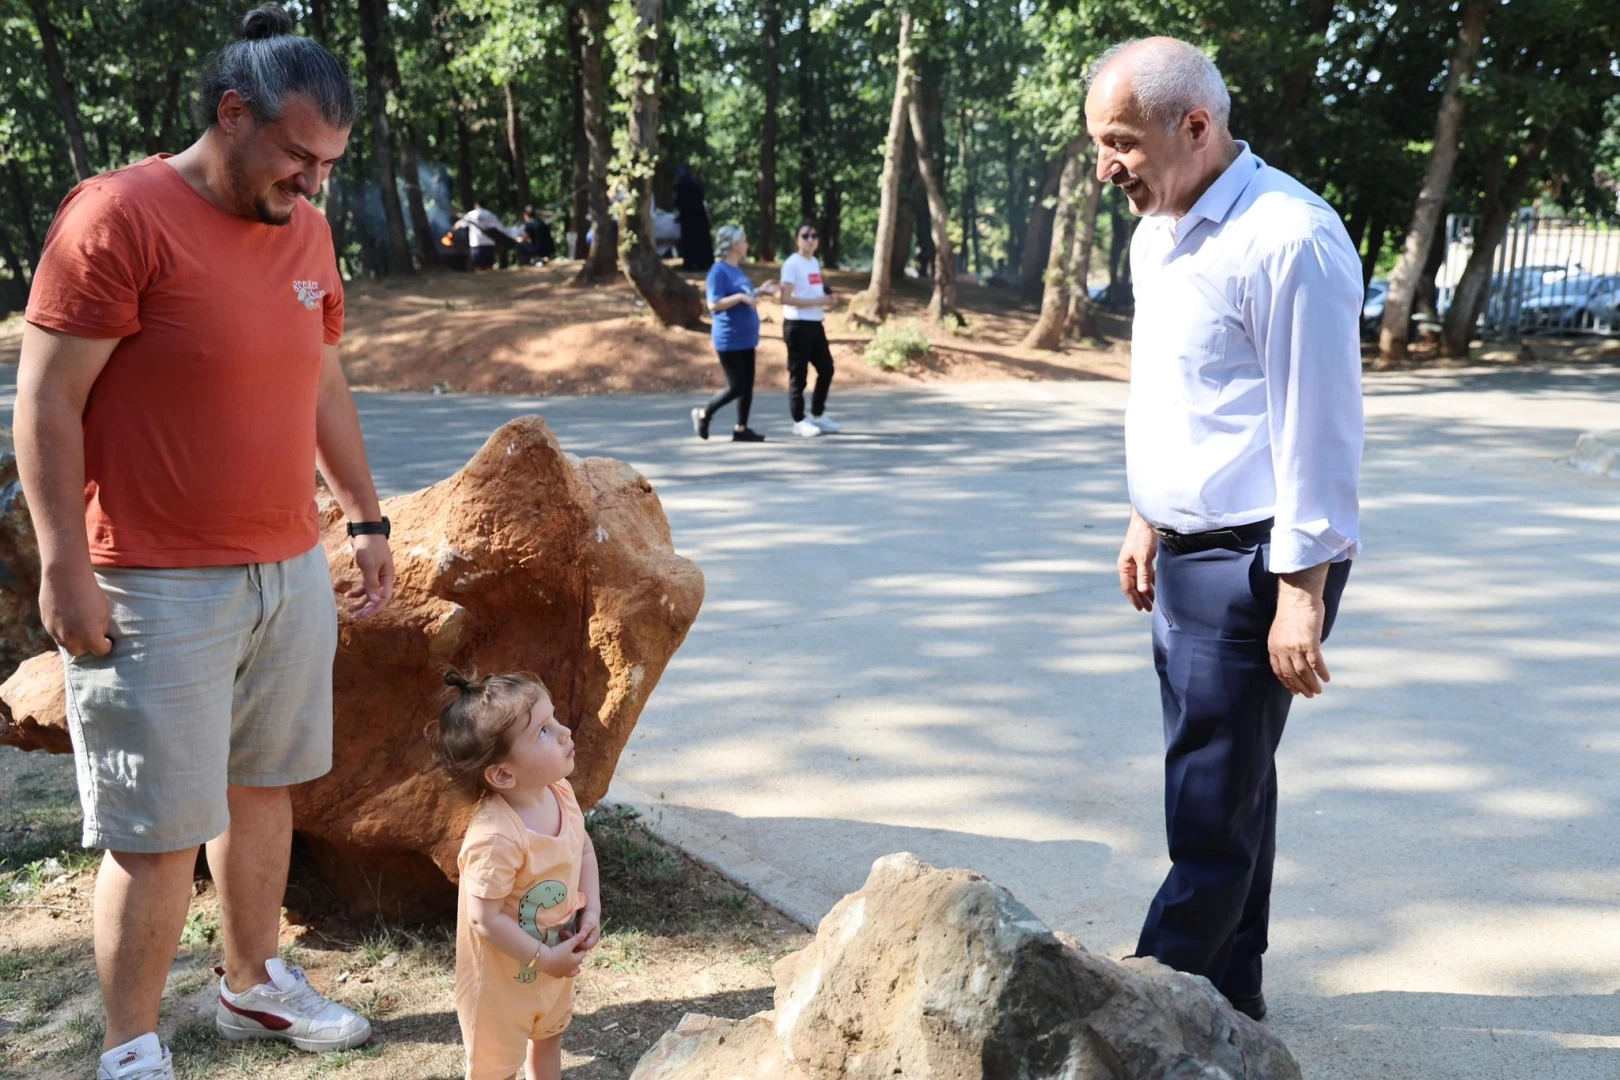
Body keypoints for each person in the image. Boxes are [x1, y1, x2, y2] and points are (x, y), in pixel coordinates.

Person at [14, 7, 395, 1078]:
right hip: (149, 581)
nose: (314, 183)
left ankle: (250, 985)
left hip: (285, 566)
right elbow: (44, 405)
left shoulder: (307, 231)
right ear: (233, 114)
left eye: (328, 163)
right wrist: (62, 565)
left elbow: (320, 379)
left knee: (262, 787)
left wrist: (363, 516)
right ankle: (130, 1050)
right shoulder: (116, 217)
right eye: (297, 156)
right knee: (155, 831)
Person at [1088, 38, 1362, 1022]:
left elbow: (1319, 424)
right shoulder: (1158, 231)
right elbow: (1181, 395)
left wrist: (1303, 591)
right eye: (1100, 145)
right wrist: (1146, 511)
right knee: (1229, 781)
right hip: (1184, 551)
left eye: (1122, 142)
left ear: (1194, 126)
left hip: (1258, 560)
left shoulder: (1287, 237)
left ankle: (1133, 1011)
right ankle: (1231, 990)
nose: (1107, 166)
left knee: (1208, 806)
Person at [430, 670, 602, 1080]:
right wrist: (547, 958)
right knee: (497, 1069)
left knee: (548, 1038)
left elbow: (583, 848)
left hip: (552, 966)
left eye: (554, 718)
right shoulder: (496, 838)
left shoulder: (559, 792)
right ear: (503, 774)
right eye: (543, 730)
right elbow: (484, 918)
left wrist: (591, 906)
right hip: (500, 987)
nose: (564, 732)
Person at [691, 224, 779, 443]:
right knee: (737, 385)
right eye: (745, 240)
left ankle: (741, 428)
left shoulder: (736, 269)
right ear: (734, 244)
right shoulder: (718, 271)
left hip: (746, 337)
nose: (748, 244)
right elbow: (714, 303)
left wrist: (760, 290)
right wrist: (741, 298)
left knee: (748, 384)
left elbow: (745, 293)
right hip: (729, 338)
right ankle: (704, 413)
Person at [779, 219, 842, 437]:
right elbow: (785, 298)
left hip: (816, 324)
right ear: (797, 239)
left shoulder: (814, 262)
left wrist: (827, 299)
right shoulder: (792, 264)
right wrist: (818, 302)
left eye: (814, 236)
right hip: (797, 325)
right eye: (805, 235)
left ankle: (817, 413)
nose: (810, 240)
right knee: (799, 374)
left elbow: (813, 292)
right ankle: (798, 420)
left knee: (827, 368)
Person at [673, 164, 714, 272]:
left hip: (688, 217)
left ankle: (691, 264)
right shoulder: (694, 181)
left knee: (690, 241)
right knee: (700, 240)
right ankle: (703, 263)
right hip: (697, 216)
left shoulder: (680, 182)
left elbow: (677, 200)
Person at [458, 199, 508, 271]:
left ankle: (479, 282)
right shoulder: (491, 215)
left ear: (476, 205)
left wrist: (451, 230)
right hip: (489, 243)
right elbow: (500, 229)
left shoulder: (470, 214)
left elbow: (460, 224)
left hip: (476, 244)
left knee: (477, 267)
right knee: (489, 266)